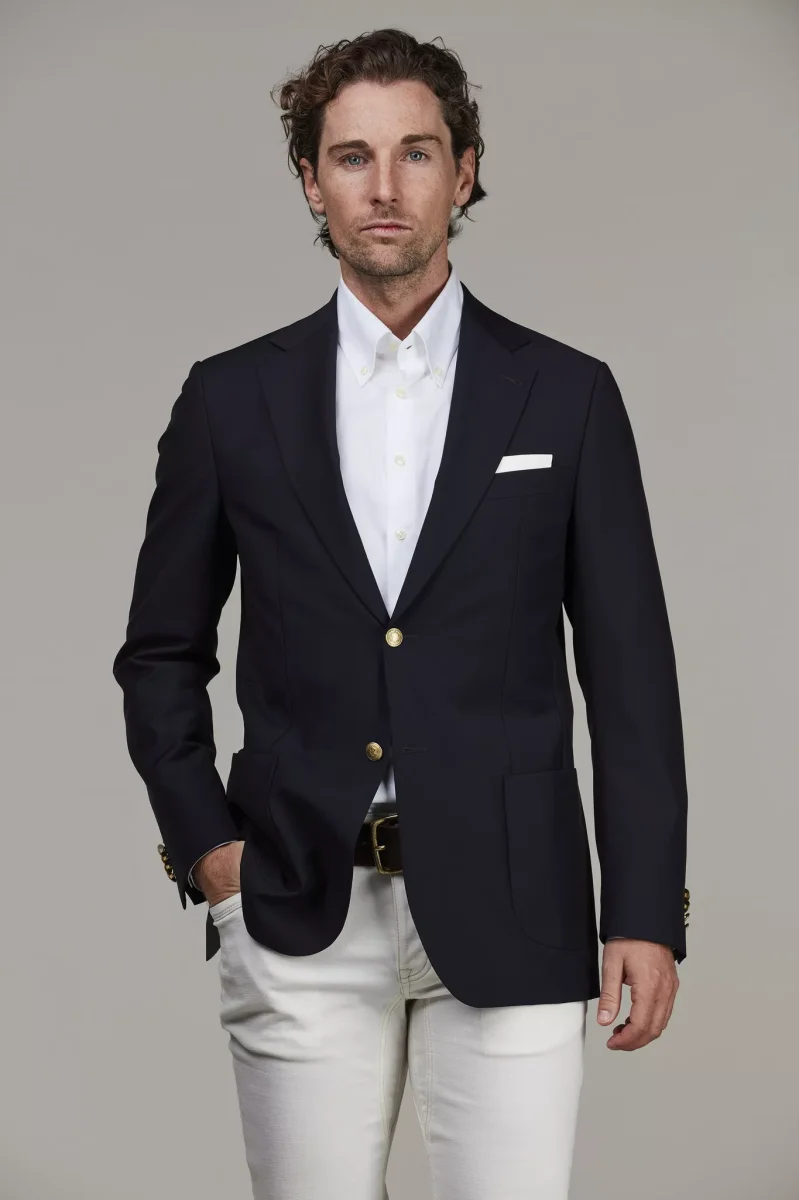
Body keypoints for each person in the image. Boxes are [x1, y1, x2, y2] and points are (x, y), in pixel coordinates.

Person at [112, 26, 689, 1200]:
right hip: (294, 902)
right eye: (352, 156)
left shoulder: (565, 395)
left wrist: (643, 910)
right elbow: (159, 655)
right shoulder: (230, 400)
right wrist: (213, 855)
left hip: (518, 900)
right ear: (310, 182)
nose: (384, 187)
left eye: (415, 153)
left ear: (463, 173)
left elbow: (629, 675)